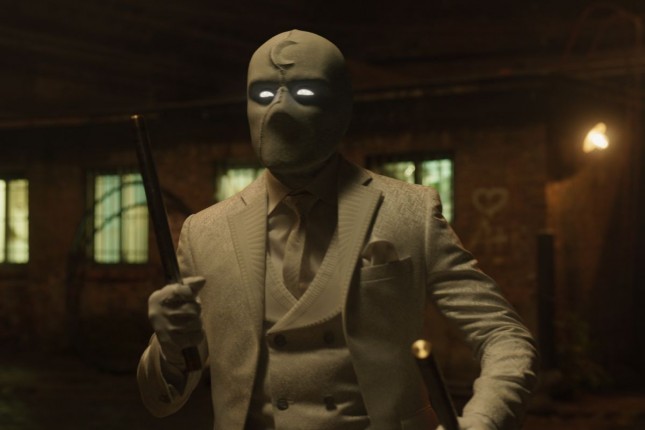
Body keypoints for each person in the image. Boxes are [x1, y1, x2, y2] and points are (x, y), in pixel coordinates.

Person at [137, 29, 538, 430]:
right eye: (262, 94)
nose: (278, 110)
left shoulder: (409, 211)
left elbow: (504, 336)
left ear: (342, 107)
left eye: (305, 92)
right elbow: (161, 398)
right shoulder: (206, 231)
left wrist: (482, 421)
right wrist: (172, 348)